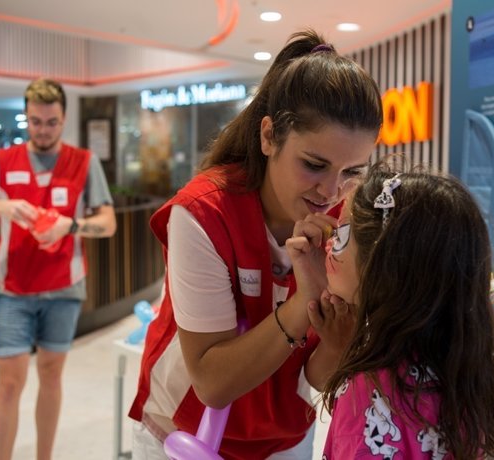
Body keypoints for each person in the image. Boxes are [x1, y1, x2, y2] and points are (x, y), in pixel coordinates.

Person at [129, 29, 382, 459]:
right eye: (314, 165)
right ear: (269, 137)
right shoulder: (204, 212)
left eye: (351, 172)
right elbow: (212, 383)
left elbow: (321, 374)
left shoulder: (347, 220)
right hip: (185, 436)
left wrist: (337, 340)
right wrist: (305, 299)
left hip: (284, 440)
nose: (331, 191)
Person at [0, 78, 116, 460]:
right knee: (9, 383)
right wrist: (1, 206)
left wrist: (69, 226)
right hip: (12, 290)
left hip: (65, 289)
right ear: (26, 118)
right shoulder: (2, 162)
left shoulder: (83, 162)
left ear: (63, 118)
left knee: (51, 377)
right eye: (35, 121)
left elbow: (107, 222)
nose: (43, 130)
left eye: (51, 122)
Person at [307, 163, 494, 459]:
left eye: (340, 237)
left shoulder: (369, 392)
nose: (328, 245)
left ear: (385, 267)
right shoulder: (462, 370)